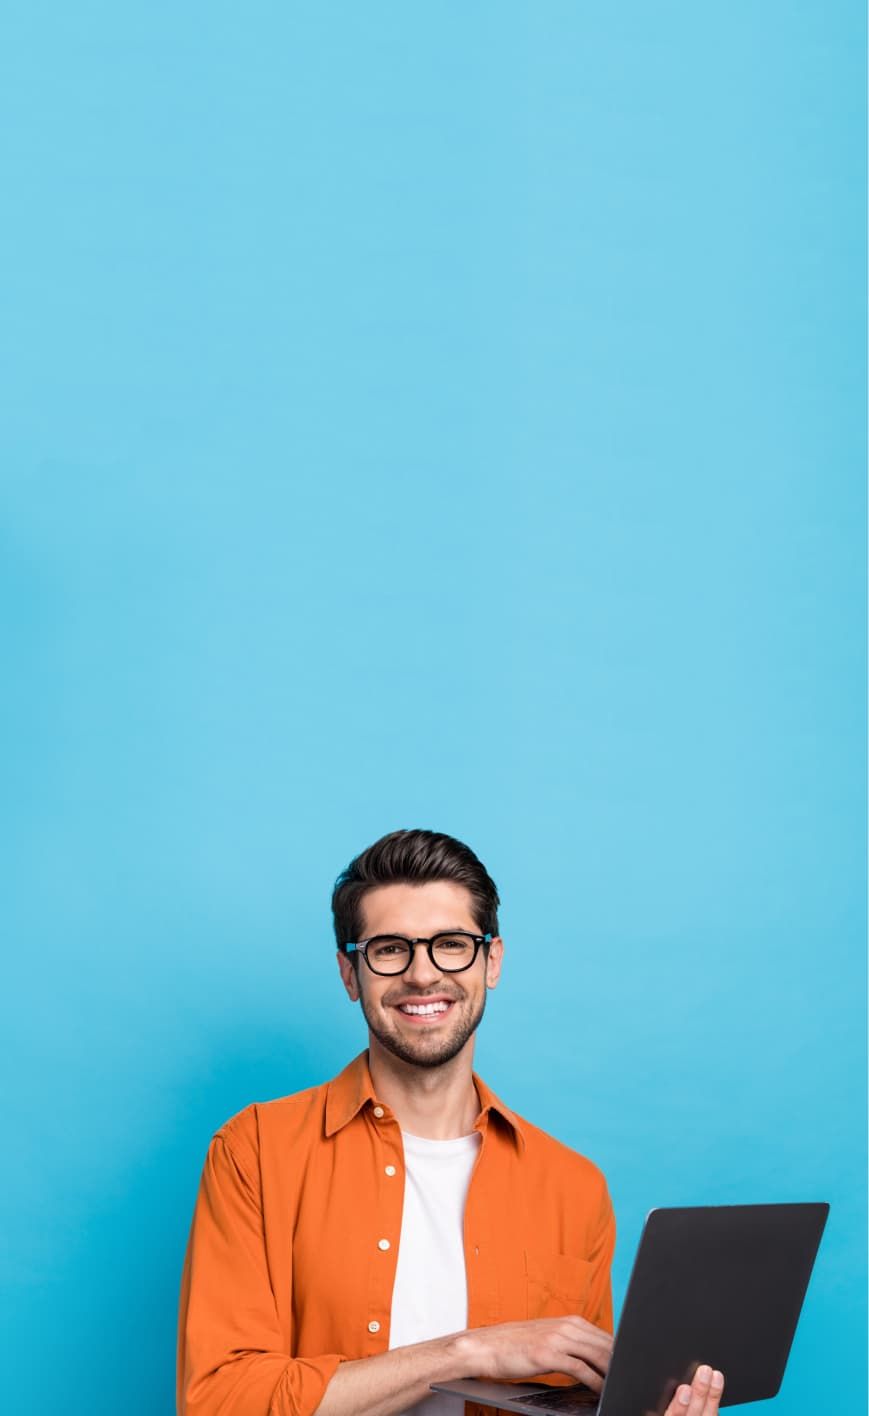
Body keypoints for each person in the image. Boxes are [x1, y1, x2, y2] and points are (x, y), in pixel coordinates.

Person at [177, 829, 725, 1416]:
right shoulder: (254, 1152)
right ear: (348, 973)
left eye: (452, 944)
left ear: (491, 961)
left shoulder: (575, 1188)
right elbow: (218, 1402)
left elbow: (581, 1402)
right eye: (390, 948)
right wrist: (465, 1353)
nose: (422, 975)